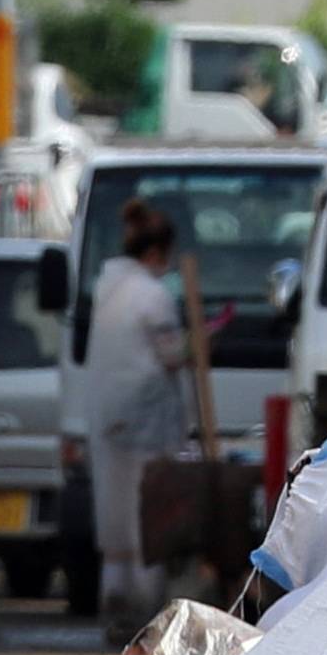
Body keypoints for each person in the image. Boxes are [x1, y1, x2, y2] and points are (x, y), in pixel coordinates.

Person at [83, 198, 191, 629]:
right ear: (157, 253)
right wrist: (203, 342)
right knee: (148, 519)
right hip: (146, 422)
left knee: (114, 521)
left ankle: (113, 603)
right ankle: (148, 615)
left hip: (107, 420)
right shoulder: (153, 295)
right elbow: (172, 356)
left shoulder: (105, 288)